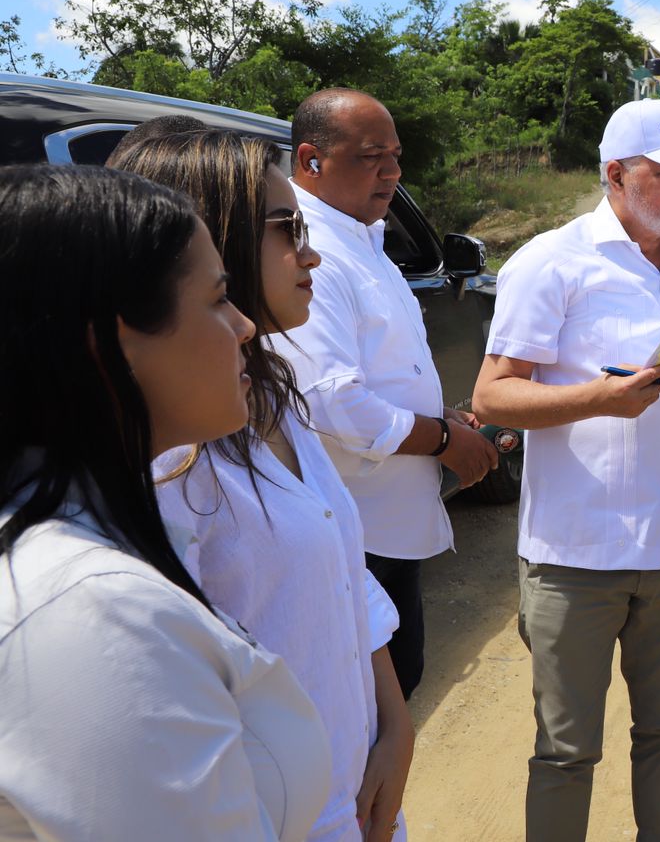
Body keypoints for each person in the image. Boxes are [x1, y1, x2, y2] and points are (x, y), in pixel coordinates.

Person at [0, 164, 331, 839]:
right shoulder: (97, 616)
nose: (242, 326)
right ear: (109, 345)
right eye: (215, 299)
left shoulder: (81, 555)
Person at [472, 98, 660, 842]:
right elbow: (494, 396)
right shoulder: (551, 261)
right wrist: (599, 398)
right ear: (615, 173)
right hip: (576, 556)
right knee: (567, 753)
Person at [115, 130, 416, 842]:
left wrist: (395, 725)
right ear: (206, 239)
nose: (309, 253)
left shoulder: (272, 397)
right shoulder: (166, 462)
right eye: (286, 230)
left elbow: (339, 571)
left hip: (356, 797)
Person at [270, 88, 499, 700]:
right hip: (354, 537)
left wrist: (438, 417)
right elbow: (330, 402)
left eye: (395, 156)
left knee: (395, 692)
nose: (393, 171)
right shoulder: (305, 247)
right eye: (373, 156)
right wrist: (446, 439)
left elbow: (373, 376)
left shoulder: (360, 239)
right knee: (368, 714)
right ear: (312, 160)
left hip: (383, 530)